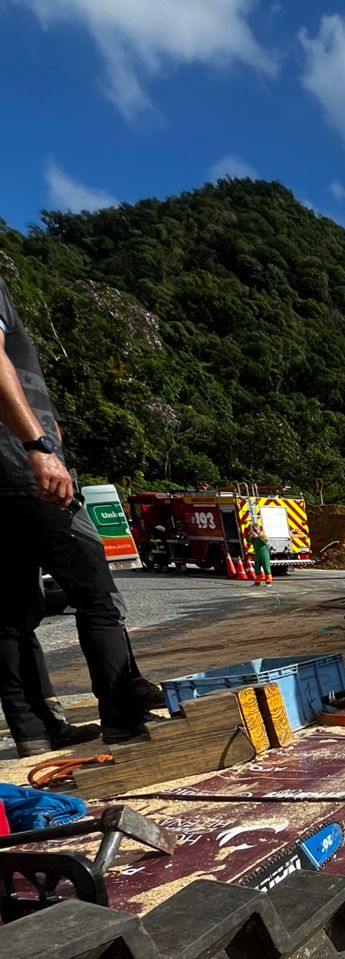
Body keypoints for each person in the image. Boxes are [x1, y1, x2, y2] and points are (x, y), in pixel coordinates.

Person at [0, 274, 153, 747]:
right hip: (20, 469)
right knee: (98, 600)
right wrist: (39, 445)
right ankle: (122, 720)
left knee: (9, 614)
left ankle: (34, 731)